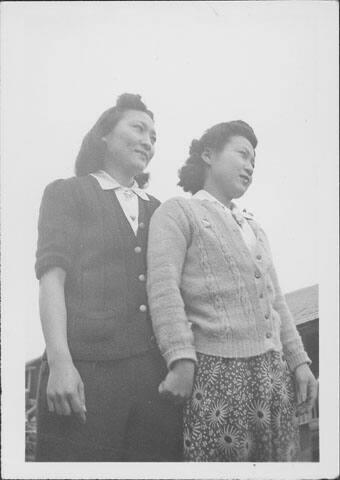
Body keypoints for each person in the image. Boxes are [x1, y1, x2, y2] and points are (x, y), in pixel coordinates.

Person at [146, 120, 318, 462]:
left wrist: (299, 362)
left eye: (254, 161)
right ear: (208, 154)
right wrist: (180, 358)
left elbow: (277, 302)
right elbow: (163, 288)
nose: (250, 166)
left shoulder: (255, 228)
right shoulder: (179, 212)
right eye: (243, 154)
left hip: (275, 377)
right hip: (216, 373)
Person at [34, 93, 182, 461]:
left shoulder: (160, 210)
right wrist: (60, 364)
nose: (148, 141)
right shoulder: (68, 193)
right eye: (138, 128)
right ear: (104, 134)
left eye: (154, 136)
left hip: (154, 383)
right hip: (86, 373)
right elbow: (51, 279)